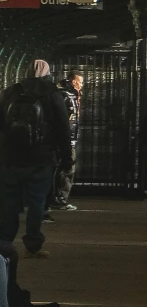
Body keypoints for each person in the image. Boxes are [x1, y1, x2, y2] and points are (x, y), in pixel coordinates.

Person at [0, 59, 73, 255]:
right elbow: (63, 129)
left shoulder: (11, 92)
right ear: (48, 73)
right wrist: (66, 158)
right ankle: (33, 245)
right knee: (36, 203)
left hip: (10, 157)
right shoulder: (52, 94)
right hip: (41, 159)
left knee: (8, 202)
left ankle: (4, 244)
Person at [50, 69, 82, 214]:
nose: (81, 85)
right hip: (67, 138)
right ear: (74, 81)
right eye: (80, 82)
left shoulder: (66, 94)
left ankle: (58, 198)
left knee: (64, 168)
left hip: (67, 137)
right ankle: (60, 199)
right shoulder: (67, 95)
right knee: (67, 168)